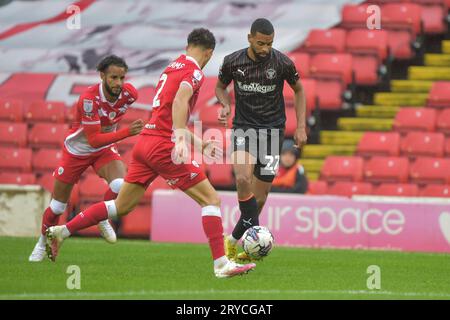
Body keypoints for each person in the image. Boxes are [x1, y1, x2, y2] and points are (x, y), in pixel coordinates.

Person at [45, 28, 256, 278]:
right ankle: (221, 264)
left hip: (146, 142)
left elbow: (166, 113)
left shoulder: (171, 67)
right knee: (211, 200)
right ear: (209, 53)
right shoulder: (194, 72)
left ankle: (62, 231)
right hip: (163, 146)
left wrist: (198, 143)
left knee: (121, 206)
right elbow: (179, 101)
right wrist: (179, 138)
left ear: (188, 45)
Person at [28, 55, 144, 262]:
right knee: (57, 207)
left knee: (120, 185)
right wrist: (127, 132)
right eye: (113, 78)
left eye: (122, 78)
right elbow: (93, 140)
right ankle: (42, 241)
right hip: (78, 150)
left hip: (105, 148)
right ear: (102, 76)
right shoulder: (89, 99)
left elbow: (103, 138)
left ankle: (102, 218)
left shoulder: (130, 94)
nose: (118, 83)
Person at [215, 18, 308, 261]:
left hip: (273, 132)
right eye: (260, 43)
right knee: (243, 177)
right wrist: (225, 104)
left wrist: (300, 126)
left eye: (269, 43)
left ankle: (235, 239)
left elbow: (299, 90)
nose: (265, 48)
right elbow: (219, 87)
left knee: (260, 197)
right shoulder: (233, 61)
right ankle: (256, 238)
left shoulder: (282, 62)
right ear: (249, 38)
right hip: (244, 129)